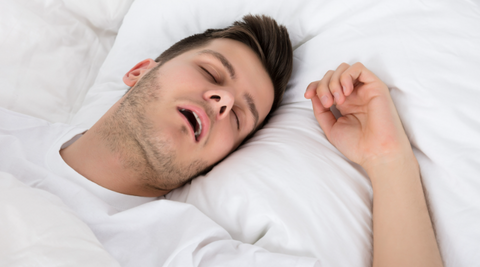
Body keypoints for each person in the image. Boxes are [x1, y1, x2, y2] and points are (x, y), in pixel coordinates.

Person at [0, 14, 442, 266]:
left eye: (241, 116)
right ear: (139, 71)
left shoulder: (185, 249)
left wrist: (388, 159)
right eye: (211, 74)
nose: (222, 100)